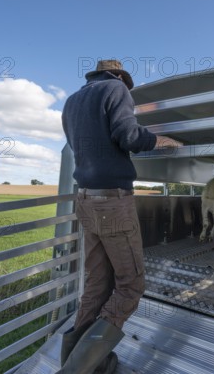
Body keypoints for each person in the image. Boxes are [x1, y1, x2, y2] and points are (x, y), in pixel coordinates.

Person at [58, 59, 181, 374]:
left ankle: (87, 363)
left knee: (97, 284)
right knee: (130, 285)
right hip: (113, 202)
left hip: (85, 199)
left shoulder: (72, 101)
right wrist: (162, 141)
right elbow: (128, 136)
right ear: (118, 76)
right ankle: (75, 370)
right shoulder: (115, 89)